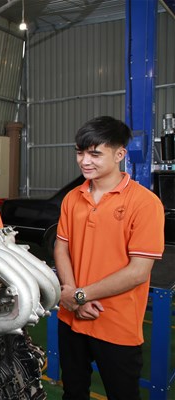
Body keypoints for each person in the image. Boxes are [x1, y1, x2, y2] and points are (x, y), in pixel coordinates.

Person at [54, 116, 165, 400]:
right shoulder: (72, 198)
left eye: (95, 154)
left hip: (115, 323)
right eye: (80, 152)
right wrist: (71, 294)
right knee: (73, 392)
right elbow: (61, 247)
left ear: (119, 154)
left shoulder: (145, 203)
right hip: (71, 318)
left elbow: (138, 272)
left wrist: (79, 296)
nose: (84, 161)